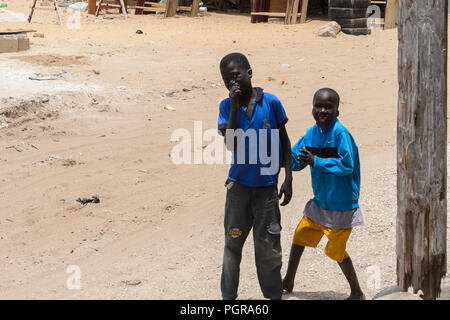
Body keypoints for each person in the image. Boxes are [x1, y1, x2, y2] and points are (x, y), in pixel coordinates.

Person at [217, 52, 293, 300]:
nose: (232, 82)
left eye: (236, 75)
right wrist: (234, 106)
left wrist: (288, 177)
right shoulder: (226, 106)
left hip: (266, 190)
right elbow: (231, 143)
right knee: (232, 245)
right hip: (238, 188)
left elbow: (284, 139)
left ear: (249, 74)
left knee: (268, 249)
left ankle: (273, 296)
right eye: (227, 79)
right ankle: (228, 298)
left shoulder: (271, 102)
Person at [283, 88, 365, 300]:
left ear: (337, 112)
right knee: (300, 234)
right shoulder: (310, 134)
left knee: (336, 251)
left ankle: (357, 292)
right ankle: (288, 280)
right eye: (318, 106)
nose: (322, 110)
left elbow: (347, 165)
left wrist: (317, 161)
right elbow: (296, 159)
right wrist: (280, 162)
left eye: (328, 107)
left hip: (342, 204)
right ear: (312, 108)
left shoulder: (340, 134)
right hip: (320, 202)